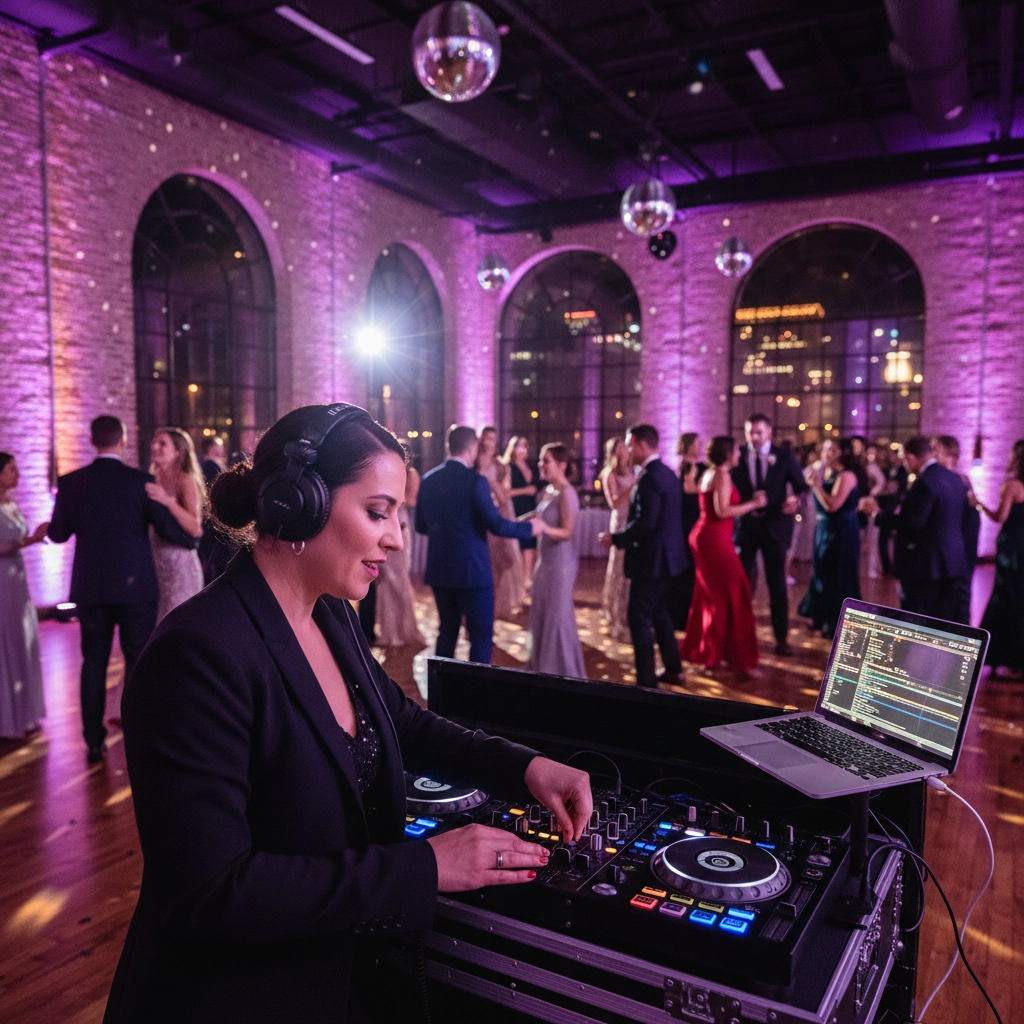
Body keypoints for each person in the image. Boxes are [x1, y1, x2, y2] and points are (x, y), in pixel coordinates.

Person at [102, 402, 592, 1024]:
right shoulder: (196, 655)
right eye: (378, 512)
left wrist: (524, 767)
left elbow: (402, 722)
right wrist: (426, 866)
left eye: (398, 515)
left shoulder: (331, 611)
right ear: (297, 505)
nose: (396, 537)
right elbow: (213, 892)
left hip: (334, 973)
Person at [47, 415, 197, 762]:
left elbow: (58, 534)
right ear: (123, 441)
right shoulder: (140, 482)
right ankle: (137, 731)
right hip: (136, 588)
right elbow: (167, 529)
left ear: (92, 440)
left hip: (91, 588)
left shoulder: (71, 482)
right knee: (137, 661)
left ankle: (93, 741)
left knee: (93, 662)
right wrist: (190, 541)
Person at [416, 425, 545, 664]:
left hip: (440, 569)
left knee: (447, 632)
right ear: (472, 448)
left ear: (449, 446)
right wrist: (529, 528)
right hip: (472, 571)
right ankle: (474, 686)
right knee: (480, 636)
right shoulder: (475, 481)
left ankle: (441, 684)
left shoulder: (428, 480)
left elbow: (421, 526)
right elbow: (496, 525)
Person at [599, 423, 688, 689]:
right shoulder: (668, 473)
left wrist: (616, 539)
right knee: (661, 614)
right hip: (669, 559)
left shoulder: (649, 477)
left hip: (651, 561)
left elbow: (646, 523)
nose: (627, 450)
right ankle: (673, 669)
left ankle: (646, 682)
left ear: (639, 444)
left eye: (629, 444)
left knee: (638, 619)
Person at [680, 437, 764, 674]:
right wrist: (753, 504)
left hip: (707, 537)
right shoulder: (721, 475)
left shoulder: (711, 473)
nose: (739, 454)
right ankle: (731, 657)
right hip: (713, 539)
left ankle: (714, 654)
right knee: (734, 591)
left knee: (713, 596)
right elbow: (722, 511)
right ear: (728, 454)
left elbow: (699, 496)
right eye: (736, 450)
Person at [732, 413, 808, 656]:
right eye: (750, 433)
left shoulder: (784, 456)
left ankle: (781, 637)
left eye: (758, 433)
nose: (753, 438)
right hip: (746, 527)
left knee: (777, 582)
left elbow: (801, 487)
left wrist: (795, 501)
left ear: (769, 433)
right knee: (743, 581)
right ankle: (740, 636)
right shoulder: (738, 454)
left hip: (775, 526)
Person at [894, 435, 971, 624]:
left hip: (927, 563)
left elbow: (913, 523)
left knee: (922, 618)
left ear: (911, 458)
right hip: (954, 561)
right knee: (946, 618)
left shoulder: (924, 481)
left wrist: (879, 516)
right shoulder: (956, 478)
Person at [527, 444, 586, 678]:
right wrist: (515, 522)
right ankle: (541, 669)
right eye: (541, 460)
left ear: (562, 465)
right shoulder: (549, 490)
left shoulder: (567, 493)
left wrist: (544, 529)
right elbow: (539, 516)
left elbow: (567, 532)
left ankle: (560, 672)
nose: (541, 464)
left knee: (557, 617)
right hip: (545, 561)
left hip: (561, 564)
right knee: (542, 613)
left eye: (546, 460)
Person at [0, 452, 47, 738]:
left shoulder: (10, 502)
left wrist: (32, 539)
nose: (17, 474)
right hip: (2, 581)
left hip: (17, 579)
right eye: (10, 469)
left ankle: (23, 713)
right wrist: (31, 539)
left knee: (21, 637)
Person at [797, 438, 863, 638]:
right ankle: (820, 616)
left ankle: (836, 622)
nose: (827, 453)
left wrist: (816, 486)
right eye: (825, 449)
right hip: (825, 527)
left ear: (842, 453)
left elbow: (833, 505)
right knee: (822, 570)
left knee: (837, 573)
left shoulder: (846, 475)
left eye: (832, 450)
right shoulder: (829, 473)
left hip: (841, 529)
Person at [147, 427, 206, 622]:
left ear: (178, 452)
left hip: (179, 562)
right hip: (155, 561)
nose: (155, 446)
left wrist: (167, 500)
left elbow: (195, 528)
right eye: (154, 442)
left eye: (162, 443)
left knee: (177, 620)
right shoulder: (150, 478)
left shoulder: (185, 479)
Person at [977, 440, 1024, 678]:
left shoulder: (1012, 485)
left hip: (1012, 545)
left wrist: (979, 505)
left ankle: (999, 656)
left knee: (1005, 595)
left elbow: (1000, 517)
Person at [374, 463, 427, 648]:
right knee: (387, 581)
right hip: (388, 523)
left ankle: (404, 630)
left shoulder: (409, 475)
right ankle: (392, 632)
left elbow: (411, 501)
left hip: (397, 524)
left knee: (398, 580)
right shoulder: (391, 472)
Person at [476, 426, 526, 619]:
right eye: (487, 437)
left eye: (493, 438)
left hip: (496, 513)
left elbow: (505, 496)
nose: (490, 441)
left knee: (501, 561)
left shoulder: (500, 466)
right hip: (477, 514)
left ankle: (497, 606)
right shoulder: (473, 462)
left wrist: (494, 487)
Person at [599, 437, 633, 642]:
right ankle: (615, 609)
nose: (625, 449)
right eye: (621, 447)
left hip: (633, 519)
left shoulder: (632, 470)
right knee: (619, 565)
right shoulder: (609, 474)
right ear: (614, 452)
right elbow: (614, 503)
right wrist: (633, 487)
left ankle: (628, 608)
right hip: (620, 520)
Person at [674, 431, 705, 629]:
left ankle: (684, 614)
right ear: (689, 446)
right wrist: (708, 488)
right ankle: (685, 615)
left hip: (686, 519)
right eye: (697, 443)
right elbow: (688, 489)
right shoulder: (691, 466)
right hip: (690, 520)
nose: (700, 446)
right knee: (690, 569)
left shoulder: (684, 466)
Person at [504, 436, 539, 586]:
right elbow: (505, 492)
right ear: (512, 449)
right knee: (520, 544)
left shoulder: (532, 467)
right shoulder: (508, 467)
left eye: (525, 446)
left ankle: (528, 581)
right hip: (517, 509)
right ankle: (519, 583)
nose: (523, 450)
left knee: (531, 544)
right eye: (520, 447)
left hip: (532, 508)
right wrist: (525, 490)